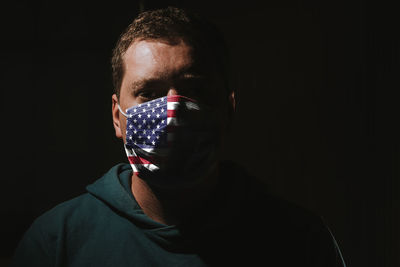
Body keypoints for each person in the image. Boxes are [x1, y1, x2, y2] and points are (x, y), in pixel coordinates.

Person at [12, 7, 346, 267]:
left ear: (228, 109)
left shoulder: (298, 240)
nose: (171, 111)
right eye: (149, 92)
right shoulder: (58, 242)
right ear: (118, 117)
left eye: (194, 89)